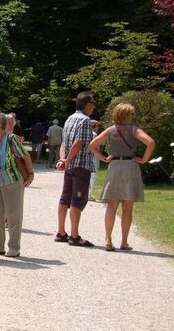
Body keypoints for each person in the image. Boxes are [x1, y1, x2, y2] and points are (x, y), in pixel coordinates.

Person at [89, 103, 155, 251]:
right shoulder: (134, 130)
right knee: (127, 207)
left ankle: (108, 239)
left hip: (114, 167)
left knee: (111, 206)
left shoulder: (110, 130)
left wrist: (104, 158)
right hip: (130, 166)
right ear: (127, 115)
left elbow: (92, 145)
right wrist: (144, 159)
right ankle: (124, 241)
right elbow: (150, 142)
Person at [55, 91, 97, 247]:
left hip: (70, 166)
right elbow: (78, 143)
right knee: (76, 200)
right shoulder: (85, 120)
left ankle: (61, 231)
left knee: (65, 197)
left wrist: (63, 160)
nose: (93, 106)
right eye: (93, 103)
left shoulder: (70, 118)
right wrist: (69, 159)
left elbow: (64, 143)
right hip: (80, 165)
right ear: (87, 104)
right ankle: (74, 235)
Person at [0, 113, 34, 257]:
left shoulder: (11, 138)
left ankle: (14, 247)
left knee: (13, 215)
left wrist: (31, 174)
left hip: (12, 180)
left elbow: (25, 156)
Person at [88, 120, 101, 201]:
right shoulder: (94, 135)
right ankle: (89, 194)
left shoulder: (86, 133)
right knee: (93, 176)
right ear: (94, 126)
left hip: (87, 157)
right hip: (94, 157)